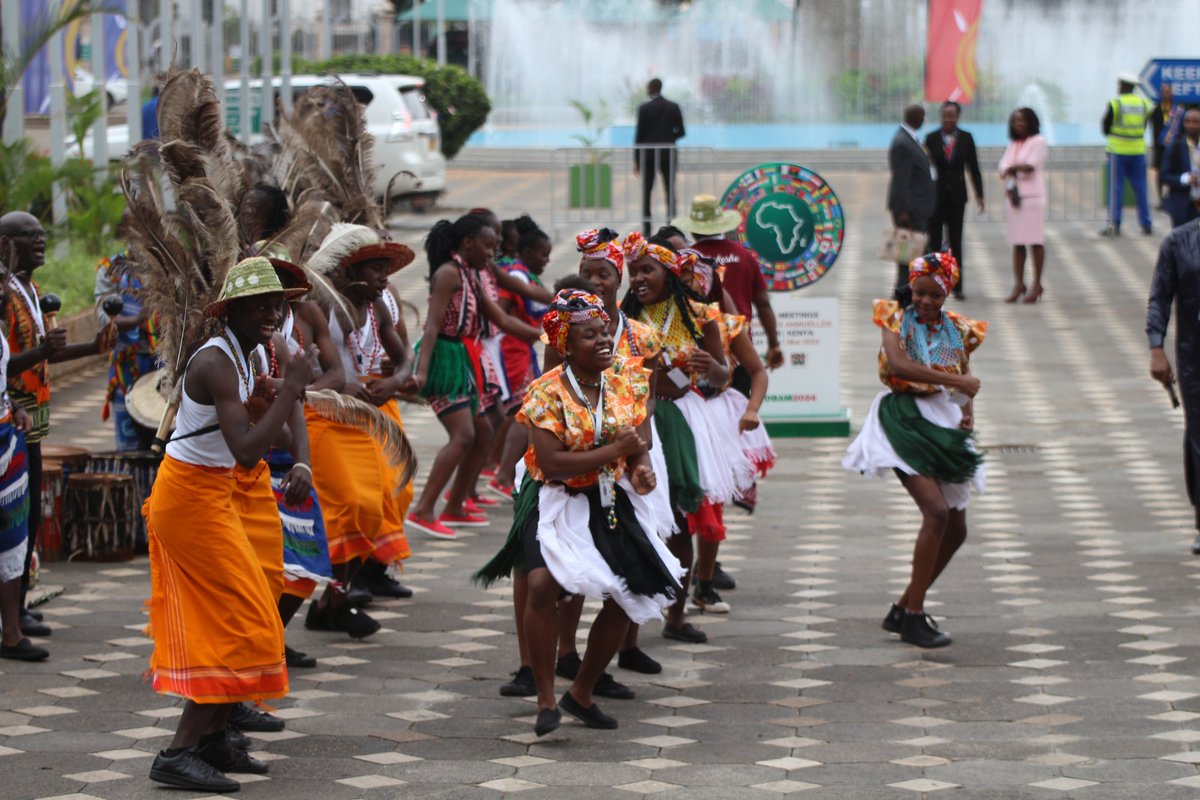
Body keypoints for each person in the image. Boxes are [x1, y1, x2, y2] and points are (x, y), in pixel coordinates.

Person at [476, 289, 683, 737]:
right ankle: (547, 698)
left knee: (636, 591)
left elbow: (638, 442)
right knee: (540, 584)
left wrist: (642, 469)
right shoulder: (547, 392)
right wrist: (618, 450)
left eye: (604, 331)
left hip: (605, 494)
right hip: (551, 495)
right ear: (567, 346)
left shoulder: (628, 379)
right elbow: (551, 463)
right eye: (589, 336)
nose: (604, 340)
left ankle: (582, 691)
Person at [144, 257, 310, 791]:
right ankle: (178, 751)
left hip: (217, 493)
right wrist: (288, 391)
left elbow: (271, 440)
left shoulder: (253, 353)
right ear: (232, 310)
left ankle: (214, 739)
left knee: (253, 606)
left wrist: (271, 403)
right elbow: (244, 451)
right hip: (190, 498)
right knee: (239, 618)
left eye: (277, 304)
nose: (271, 312)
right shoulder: (216, 361)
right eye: (259, 304)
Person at [843, 253, 986, 648]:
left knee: (956, 529)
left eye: (934, 295)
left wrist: (967, 411)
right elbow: (899, 364)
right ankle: (914, 617)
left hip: (944, 420)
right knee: (936, 513)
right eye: (919, 292)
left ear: (947, 293)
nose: (924, 301)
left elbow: (961, 373)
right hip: (902, 420)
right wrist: (957, 382)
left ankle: (904, 607)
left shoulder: (957, 329)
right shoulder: (894, 317)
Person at [0, 211, 115, 641]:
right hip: (13, 417)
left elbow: (43, 351)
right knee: (18, 518)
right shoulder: (4, 296)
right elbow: (5, 363)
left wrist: (92, 346)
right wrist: (42, 351)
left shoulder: (27, 289)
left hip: (30, 420)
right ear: (5, 243)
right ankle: (13, 614)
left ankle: (20, 606)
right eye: (29, 236)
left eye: (42, 235)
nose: (40, 242)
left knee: (25, 517)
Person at [405, 214, 541, 539]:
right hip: (445, 358)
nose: (492, 253)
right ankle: (423, 510)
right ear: (467, 243)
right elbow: (432, 325)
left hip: (466, 357)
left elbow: (502, 321)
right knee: (463, 435)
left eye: (496, 246)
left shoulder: (471, 274)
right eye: (488, 245)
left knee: (485, 429)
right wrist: (421, 370)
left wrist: (549, 333)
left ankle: (455, 505)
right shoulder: (448, 273)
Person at [672, 195, 784, 385]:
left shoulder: (686, 262)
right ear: (722, 223)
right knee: (739, 408)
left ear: (693, 228)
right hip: (741, 351)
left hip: (699, 355)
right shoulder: (744, 256)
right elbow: (763, 304)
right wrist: (774, 345)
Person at [0, 233, 42, 662]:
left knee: (13, 539)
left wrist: (13, 407)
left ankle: (11, 633)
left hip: (5, 441)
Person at [1147, 221, 1200, 555]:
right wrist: (1157, 348)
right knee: (1198, 435)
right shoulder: (1179, 242)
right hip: (1194, 356)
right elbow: (1160, 297)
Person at [94, 250, 158, 450]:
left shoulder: (169, 262)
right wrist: (138, 320)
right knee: (130, 441)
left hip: (166, 363)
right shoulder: (111, 268)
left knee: (165, 439)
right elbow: (105, 318)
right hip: (127, 365)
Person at [924, 101, 984, 300]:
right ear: (940, 116)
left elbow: (973, 168)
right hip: (935, 197)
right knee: (933, 242)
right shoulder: (931, 138)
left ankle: (957, 286)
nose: (948, 119)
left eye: (952, 115)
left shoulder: (966, 138)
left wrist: (980, 194)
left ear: (958, 117)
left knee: (956, 243)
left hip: (957, 198)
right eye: (945, 115)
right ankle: (933, 285)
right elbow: (925, 169)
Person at [999, 107, 1049, 304]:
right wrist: (1011, 168)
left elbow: (1030, 166)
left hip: (1032, 198)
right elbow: (1002, 166)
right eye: (1015, 121)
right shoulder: (1014, 143)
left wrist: (1012, 168)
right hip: (1014, 197)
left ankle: (1037, 283)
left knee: (1035, 241)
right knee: (1017, 242)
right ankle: (1019, 283)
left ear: (1031, 122)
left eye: (1022, 120)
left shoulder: (1038, 142)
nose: (1018, 124)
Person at [887, 104, 936, 296]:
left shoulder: (909, 139)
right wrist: (901, 211)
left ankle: (908, 296)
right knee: (908, 258)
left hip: (918, 208)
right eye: (922, 116)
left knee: (913, 257)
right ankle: (901, 299)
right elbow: (900, 180)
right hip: (910, 211)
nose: (924, 120)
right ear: (914, 117)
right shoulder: (902, 143)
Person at [1101, 72, 1154, 237]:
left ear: (1124, 86)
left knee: (1116, 188)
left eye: (1120, 84)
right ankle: (1146, 224)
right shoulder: (1145, 104)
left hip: (1118, 152)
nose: (1118, 87)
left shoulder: (1115, 103)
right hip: (1138, 150)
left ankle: (1114, 224)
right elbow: (1144, 125)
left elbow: (1105, 127)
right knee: (1141, 188)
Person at [634, 78, 686, 235]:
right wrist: (669, 138)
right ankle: (671, 226)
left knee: (647, 191)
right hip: (668, 153)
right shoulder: (673, 107)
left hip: (648, 155)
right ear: (661, 88)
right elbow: (682, 131)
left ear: (650, 88)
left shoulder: (643, 109)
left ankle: (647, 228)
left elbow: (639, 136)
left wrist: (637, 160)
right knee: (670, 190)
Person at [1159, 106, 1200, 230]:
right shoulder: (1175, 146)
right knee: (1183, 245)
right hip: (1183, 205)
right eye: (1187, 122)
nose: (1191, 125)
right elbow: (1164, 176)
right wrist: (1185, 179)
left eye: (1195, 122)